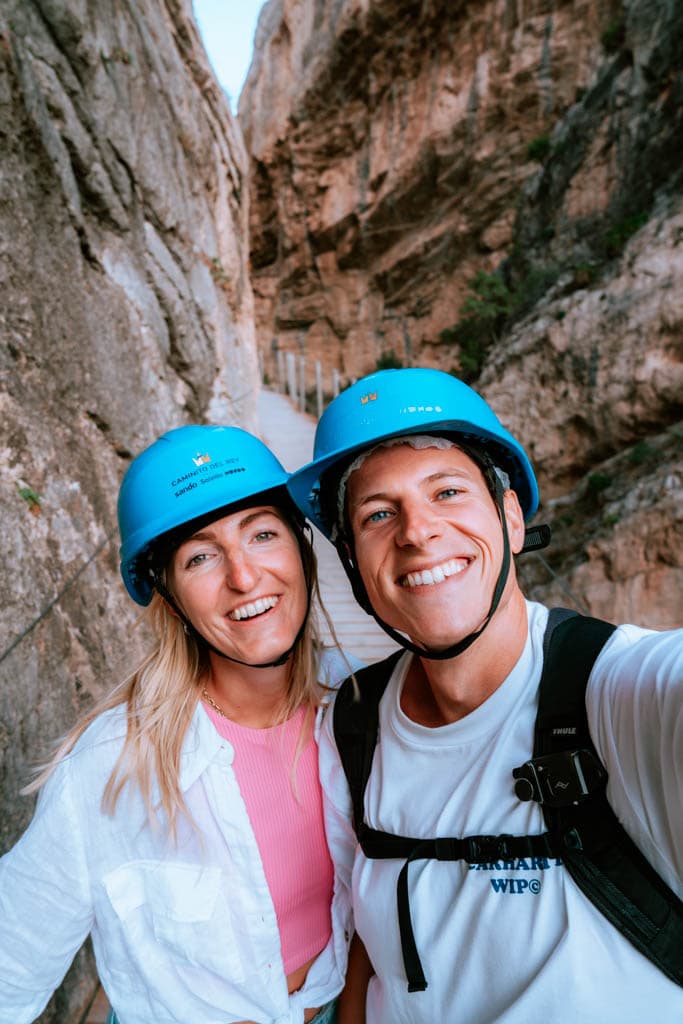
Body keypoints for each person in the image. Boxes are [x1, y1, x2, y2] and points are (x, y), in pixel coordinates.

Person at [287, 367, 683, 1023]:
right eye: (378, 514)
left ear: (510, 519)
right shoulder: (351, 720)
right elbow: (368, 933)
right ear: (353, 561)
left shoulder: (620, 691)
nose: (417, 531)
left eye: (446, 491)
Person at [0, 424, 360, 1024]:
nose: (243, 577)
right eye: (200, 556)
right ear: (169, 599)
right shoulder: (110, 766)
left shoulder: (360, 706)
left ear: (302, 551)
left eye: (263, 534)